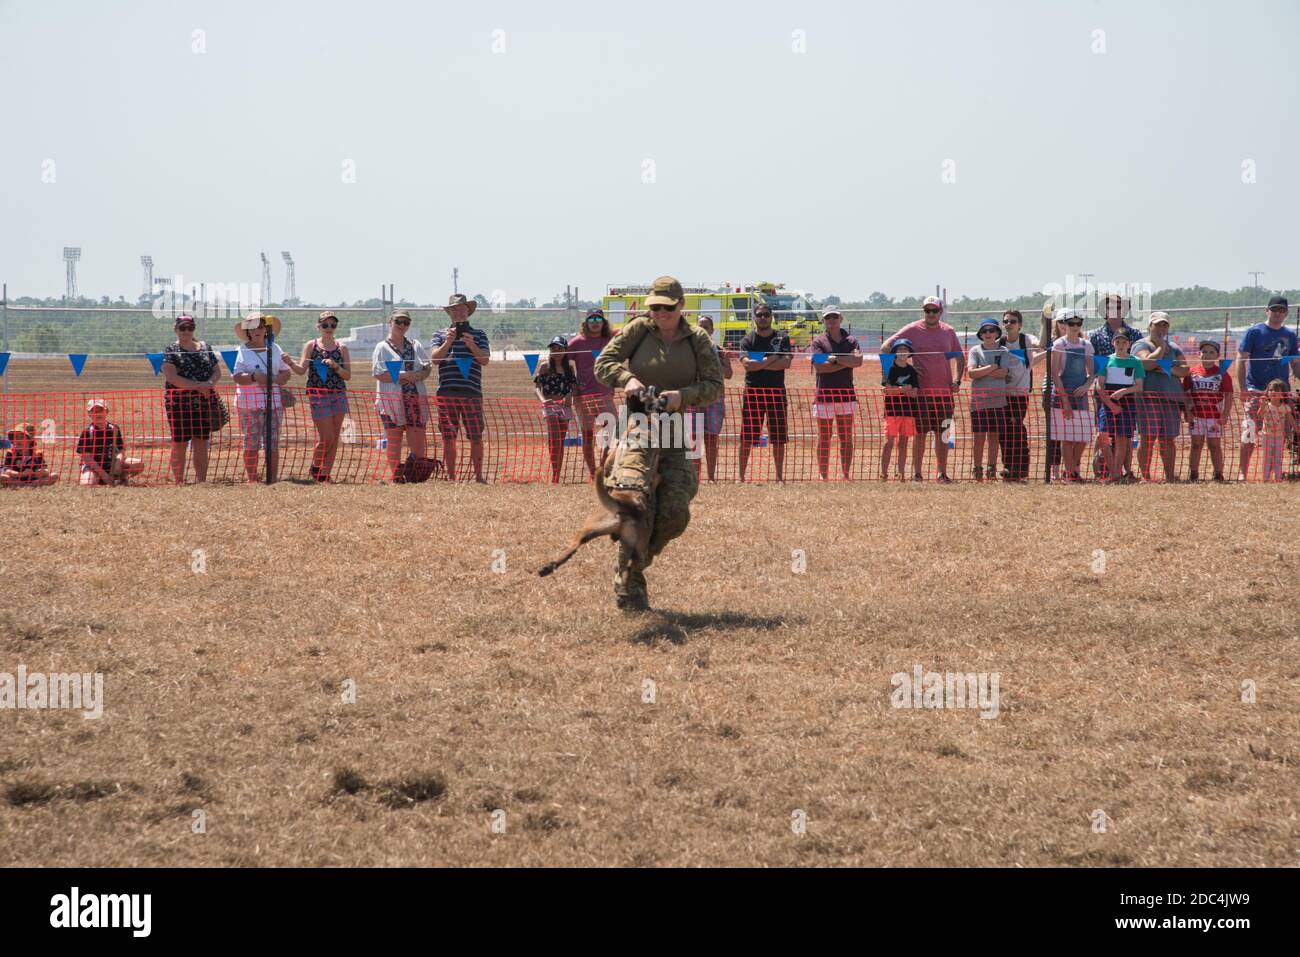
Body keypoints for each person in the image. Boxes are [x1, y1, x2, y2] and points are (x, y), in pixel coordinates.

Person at [592, 275, 724, 612]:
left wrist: (683, 396)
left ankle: (638, 560)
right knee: (635, 506)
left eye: (667, 307)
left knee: (674, 511)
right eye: (655, 307)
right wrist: (628, 378)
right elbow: (602, 364)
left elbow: (714, 385)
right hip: (637, 426)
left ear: (681, 306)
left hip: (675, 430)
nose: (660, 313)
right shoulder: (638, 330)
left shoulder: (697, 339)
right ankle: (629, 591)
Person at [881, 296, 964, 482]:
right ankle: (917, 473)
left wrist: (957, 380)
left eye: (934, 310)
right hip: (920, 394)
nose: (931, 314)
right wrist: (894, 373)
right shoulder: (912, 329)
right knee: (919, 435)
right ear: (923, 312)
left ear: (940, 312)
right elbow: (886, 348)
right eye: (927, 310)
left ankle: (942, 472)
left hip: (944, 394)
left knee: (943, 433)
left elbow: (959, 357)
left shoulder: (948, 332)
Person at [1234, 296, 1300, 481]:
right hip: (1256, 390)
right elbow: (1241, 359)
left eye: (1282, 310)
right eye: (1274, 309)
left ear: (1286, 313)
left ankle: (1279, 472)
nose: (1278, 313)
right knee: (1250, 432)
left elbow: (1295, 364)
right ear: (1267, 310)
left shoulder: (1291, 335)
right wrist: (1242, 388)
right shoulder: (1254, 331)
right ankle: (1243, 472)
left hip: (1282, 393)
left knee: (1283, 434)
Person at [429, 293, 491, 483]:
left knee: (476, 436)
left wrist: (472, 345)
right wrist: (448, 341)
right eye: (455, 309)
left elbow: (485, 360)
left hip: (472, 392)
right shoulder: (439, 334)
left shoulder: (479, 335)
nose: (459, 313)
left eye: (462, 309)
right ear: (449, 313)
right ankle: (451, 476)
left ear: (468, 312)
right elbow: (435, 359)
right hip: (446, 392)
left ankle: (479, 476)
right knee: (448, 436)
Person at [284, 311, 352, 483]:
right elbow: (301, 370)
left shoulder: (342, 347)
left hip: (338, 395)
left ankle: (325, 474)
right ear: (319, 327)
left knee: (335, 438)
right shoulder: (311, 345)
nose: (329, 328)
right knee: (327, 437)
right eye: (325, 325)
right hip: (318, 396)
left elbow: (347, 375)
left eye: (332, 325)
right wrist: (290, 362)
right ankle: (316, 466)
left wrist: (336, 366)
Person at [160, 313, 223, 483]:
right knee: (179, 442)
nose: (186, 331)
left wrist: (209, 383)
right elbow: (171, 377)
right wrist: (199, 386)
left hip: (203, 403)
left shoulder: (205, 347)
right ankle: (179, 481)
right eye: (182, 328)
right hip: (178, 404)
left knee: (201, 442)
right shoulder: (170, 350)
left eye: (190, 328)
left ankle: (201, 481)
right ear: (175, 329)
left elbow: (217, 371)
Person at [372, 310, 432, 483]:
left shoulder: (415, 344)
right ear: (390, 322)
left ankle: (415, 473)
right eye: (398, 321)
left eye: (406, 322)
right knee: (394, 437)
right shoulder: (381, 347)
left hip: (415, 398)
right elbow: (379, 374)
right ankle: (396, 474)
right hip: (391, 401)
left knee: (417, 436)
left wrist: (419, 376)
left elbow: (427, 367)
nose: (402, 325)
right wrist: (404, 375)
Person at [1088, 294, 1143, 482]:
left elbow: (1138, 363)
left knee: (1125, 436)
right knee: (1102, 432)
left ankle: (1124, 471)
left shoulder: (1135, 334)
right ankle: (1100, 470)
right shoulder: (1094, 335)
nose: (1115, 310)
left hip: (1127, 395)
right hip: (1104, 391)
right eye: (1110, 307)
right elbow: (1091, 365)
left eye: (1119, 307)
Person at [231, 313, 291, 483]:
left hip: (274, 403)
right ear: (247, 331)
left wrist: (279, 379)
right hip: (249, 404)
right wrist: (254, 377)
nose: (257, 330)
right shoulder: (240, 351)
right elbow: (236, 376)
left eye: (260, 326)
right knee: (251, 443)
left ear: (266, 329)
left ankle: (272, 478)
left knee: (272, 443)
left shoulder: (276, 348)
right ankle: (252, 479)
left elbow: (285, 371)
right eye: (252, 326)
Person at [738, 303, 792, 481]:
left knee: (778, 437)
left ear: (771, 316)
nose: (762, 318)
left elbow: (786, 364)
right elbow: (748, 366)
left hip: (776, 392)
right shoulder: (747, 340)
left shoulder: (782, 337)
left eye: (766, 314)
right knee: (747, 436)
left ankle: (779, 477)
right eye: (759, 315)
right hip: (753, 392)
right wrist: (774, 357)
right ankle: (742, 477)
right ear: (754, 317)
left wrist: (760, 361)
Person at [1133, 313, 1188, 483]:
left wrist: (1166, 369)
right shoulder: (1140, 344)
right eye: (1157, 325)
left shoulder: (1175, 347)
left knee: (1168, 439)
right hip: (1149, 398)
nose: (1161, 329)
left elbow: (1185, 370)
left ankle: (1170, 477)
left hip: (1171, 398)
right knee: (1147, 438)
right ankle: (1146, 476)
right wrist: (1161, 349)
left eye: (1164, 325)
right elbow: (1144, 364)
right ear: (1150, 326)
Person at [810, 305, 863, 481]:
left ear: (841, 318)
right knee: (824, 437)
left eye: (834, 317)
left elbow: (858, 362)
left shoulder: (851, 340)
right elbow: (819, 367)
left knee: (846, 437)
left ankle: (846, 475)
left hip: (846, 396)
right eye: (828, 318)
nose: (831, 321)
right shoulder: (818, 342)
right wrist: (846, 361)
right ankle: (823, 475)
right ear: (823, 320)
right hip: (824, 396)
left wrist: (834, 360)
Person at [1049, 310, 1096, 481]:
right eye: (1071, 323)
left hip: (1081, 393)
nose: (1075, 327)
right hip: (1063, 391)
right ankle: (1071, 473)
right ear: (1064, 325)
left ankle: (1072, 467)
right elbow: (1055, 375)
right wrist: (1064, 399)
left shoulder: (1087, 345)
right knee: (1067, 437)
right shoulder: (1059, 345)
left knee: (1083, 436)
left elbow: (1092, 373)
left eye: (1078, 323)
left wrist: (1086, 386)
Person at [569, 307, 615, 480]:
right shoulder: (577, 342)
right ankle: (592, 472)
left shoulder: (611, 340)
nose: (595, 323)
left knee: (611, 434)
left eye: (598, 319)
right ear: (586, 323)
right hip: (583, 397)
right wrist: (572, 384)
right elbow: (560, 360)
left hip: (606, 395)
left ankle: (603, 468)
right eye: (591, 319)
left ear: (603, 322)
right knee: (587, 436)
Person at [1182, 340, 1233, 482]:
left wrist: (1225, 415)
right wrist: (1188, 412)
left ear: (1217, 355)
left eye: (1211, 352)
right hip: (1197, 416)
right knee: (1196, 444)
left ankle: (1218, 473)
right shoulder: (1191, 372)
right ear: (1199, 353)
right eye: (1204, 351)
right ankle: (1193, 473)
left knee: (1214, 445)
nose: (1207, 354)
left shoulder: (1222, 373)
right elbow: (1185, 394)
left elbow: (1229, 394)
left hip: (1214, 417)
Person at [997, 310, 1039, 482]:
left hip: (1020, 394)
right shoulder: (1000, 342)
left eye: (1013, 321)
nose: (1009, 324)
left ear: (1020, 324)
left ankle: (1020, 468)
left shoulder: (1026, 339)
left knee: (1016, 428)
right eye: (1006, 321)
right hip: (1002, 393)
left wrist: (1045, 321)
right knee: (1004, 431)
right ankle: (1008, 466)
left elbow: (1040, 344)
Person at [967, 318, 1011, 481]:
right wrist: (993, 367)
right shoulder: (975, 351)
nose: (988, 334)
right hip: (978, 403)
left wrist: (982, 370)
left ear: (997, 333)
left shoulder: (1004, 351)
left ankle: (991, 470)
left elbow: (1004, 373)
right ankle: (977, 470)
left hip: (998, 401)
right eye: (984, 331)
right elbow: (971, 373)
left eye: (991, 330)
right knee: (979, 437)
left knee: (994, 437)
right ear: (980, 334)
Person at [689, 315, 732, 482]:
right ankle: (695, 477)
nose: (704, 329)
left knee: (711, 439)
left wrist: (716, 359)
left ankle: (711, 477)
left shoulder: (720, 351)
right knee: (693, 438)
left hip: (715, 400)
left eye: (707, 327)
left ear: (712, 331)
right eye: (701, 326)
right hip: (694, 399)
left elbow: (728, 374)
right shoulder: (689, 351)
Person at [534, 335, 577, 484]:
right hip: (550, 405)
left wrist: (570, 396)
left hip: (565, 406)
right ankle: (554, 474)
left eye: (560, 348)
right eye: (553, 348)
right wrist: (543, 401)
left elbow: (574, 387)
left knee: (560, 440)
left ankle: (557, 473)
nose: (556, 351)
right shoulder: (544, 367)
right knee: (554, 437)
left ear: (565, 350)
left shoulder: (569, 368)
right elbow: (537, 387)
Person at [76, 398, 143, 486]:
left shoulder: (114, 428)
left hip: (111, 463)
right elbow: (86, 457)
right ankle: (99, 478)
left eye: (101, 410)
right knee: (87, 484)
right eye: (95, 411)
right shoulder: (87, 432)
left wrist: (118, 462)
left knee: (139, 464)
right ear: (89, 414)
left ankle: (122, 477)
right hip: (93, 466)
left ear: (106, 412)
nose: (98, 413)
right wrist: (103, 474)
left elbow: (121, 450)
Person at [879, 340, 919, 480]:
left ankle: (901, 474)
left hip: (909, 412)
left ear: (909, 353)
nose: (902, 351)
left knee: (903, 443)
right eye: (899, 349)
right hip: (892, 411)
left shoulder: (911, 370)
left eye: (905, 349)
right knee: (889, 442)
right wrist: (903, 389)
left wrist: (901, 391)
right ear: (895, 352)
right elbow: (887, 390)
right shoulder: (889, 368)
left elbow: (915, 393)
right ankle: (883, 473)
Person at [1257, 379, 1297, 482]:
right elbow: (1259, 415)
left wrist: (1296, 428)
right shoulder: (1266, 406)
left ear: (1282, 394)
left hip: (1279, 437)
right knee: (1267, 458)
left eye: (1276, 390)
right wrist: (1262, 405)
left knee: (1278, 458)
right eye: (1270, 390)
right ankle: (1265, 478)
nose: (1273, 392)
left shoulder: (1285, 407)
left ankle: (1277, 478)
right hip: (1266, 436)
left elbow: (1291, 419)